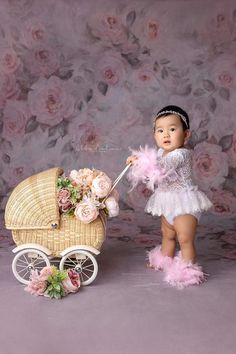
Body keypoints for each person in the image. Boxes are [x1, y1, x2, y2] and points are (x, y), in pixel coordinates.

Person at [126, 105, 212, 289]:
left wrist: (140, 161)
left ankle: (187, 270)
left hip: (184, 203)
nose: (166, 134)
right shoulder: (159, 152)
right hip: (167, 201)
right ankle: (165, 260)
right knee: (168, 234)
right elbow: (152, 170)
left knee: (184, 238)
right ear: (155, 134)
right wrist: (138, 164)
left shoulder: (181, 154)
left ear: (186, 134)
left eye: (172, 129)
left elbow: (161, 167)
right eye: (160, 130)